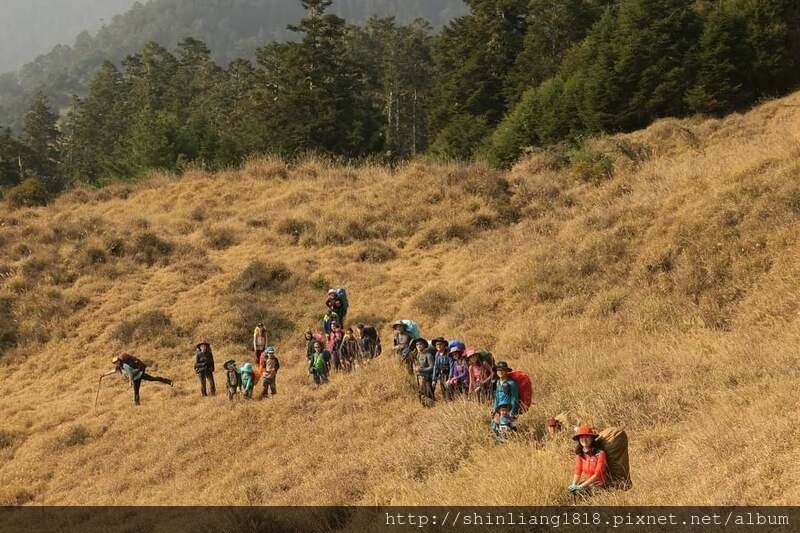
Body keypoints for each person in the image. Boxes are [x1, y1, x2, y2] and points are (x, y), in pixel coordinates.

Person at [101, 353, 172, 405]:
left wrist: (130, 382)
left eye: (117, 362)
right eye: (115, 363)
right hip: (137, 376)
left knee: (140, 388)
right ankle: (168, 381)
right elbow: (113, 371)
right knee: (151, 380)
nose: (116, 363)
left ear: (119, 361)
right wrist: (104, 375)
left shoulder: (125, 366)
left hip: (137, 376)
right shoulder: (119, 367)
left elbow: (130, 374)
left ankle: (137, 404)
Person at [568, 426, 608, 495]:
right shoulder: (580, 453)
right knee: (572, 493)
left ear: (592, 438)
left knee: (582, 493)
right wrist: (574, 484)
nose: (584, 439)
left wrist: (580, 486)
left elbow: (597, 475)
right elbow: (578, 470)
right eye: (582, 437)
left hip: (599, 484)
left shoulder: (600, 454)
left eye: (587, 437)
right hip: (587, 483)